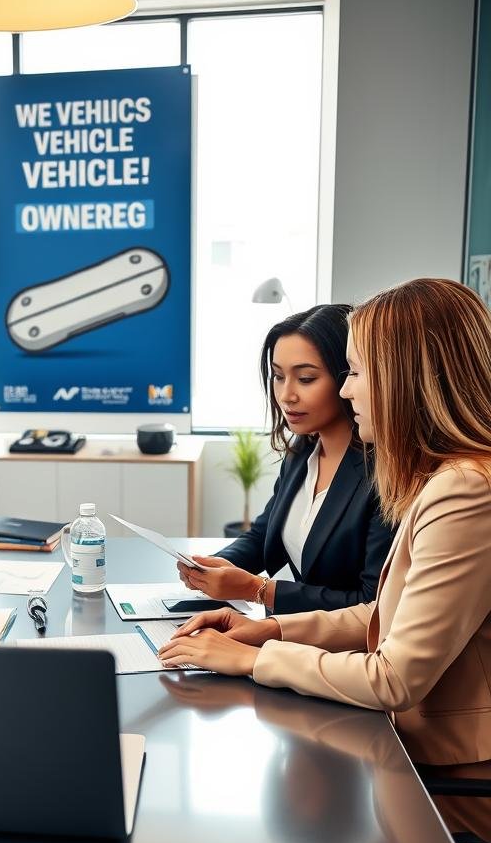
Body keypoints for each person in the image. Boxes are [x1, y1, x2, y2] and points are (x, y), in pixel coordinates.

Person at [159, 278, 491, 778]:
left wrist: (252, 656)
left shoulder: (464, 488)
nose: (346, 388)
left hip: (445, 768)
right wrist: (269, 629)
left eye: (354, 372)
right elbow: (385, 615)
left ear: (405, 380)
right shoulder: (440, 476)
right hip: (401, 744)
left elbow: (393, 677)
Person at [176, 304, 393, 612]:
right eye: (278, 376)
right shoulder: (302, 451)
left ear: (348, 377)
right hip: (286, 633)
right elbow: (264, 533)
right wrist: (211, 566)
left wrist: (259, 590)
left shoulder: (386, 473)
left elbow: (372, 604)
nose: (286, 395)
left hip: (339, 642)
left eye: (306, 378)